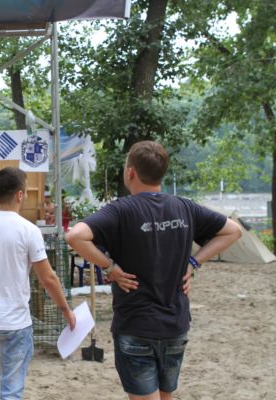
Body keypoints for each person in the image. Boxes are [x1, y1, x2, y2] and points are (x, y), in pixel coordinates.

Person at [65, 141, 241, 400]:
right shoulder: (184, 207)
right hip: (175, 325)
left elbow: (75, 236)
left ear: (130, 172)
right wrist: (194, 263)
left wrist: (110, 267)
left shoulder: (121, 210)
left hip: (136, 326)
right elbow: (233, 230)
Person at [0, 167, 76, 399]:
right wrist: (66, 310)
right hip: (14, 321)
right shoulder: (29, 230)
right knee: (11, 388)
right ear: (20, 194)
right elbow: (48, 278)